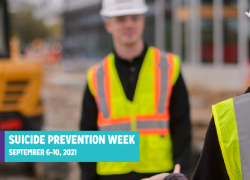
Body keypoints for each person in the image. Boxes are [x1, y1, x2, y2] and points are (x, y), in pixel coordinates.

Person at [79, 0, 191, 179]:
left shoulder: (168, 66)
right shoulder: (96, 75)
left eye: (135, 18)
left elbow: (182, 126)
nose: (129, 24)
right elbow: (87, 133)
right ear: (109, 25)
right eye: (121, 19)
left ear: (143, 22)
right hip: (110, 174)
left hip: (159, 172)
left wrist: (182, 171)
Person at [144, 86, 250, 180]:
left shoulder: (231, 117)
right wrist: (129, 160)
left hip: (161, 166)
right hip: (132, 163)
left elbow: (181, 127)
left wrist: (181, 168)